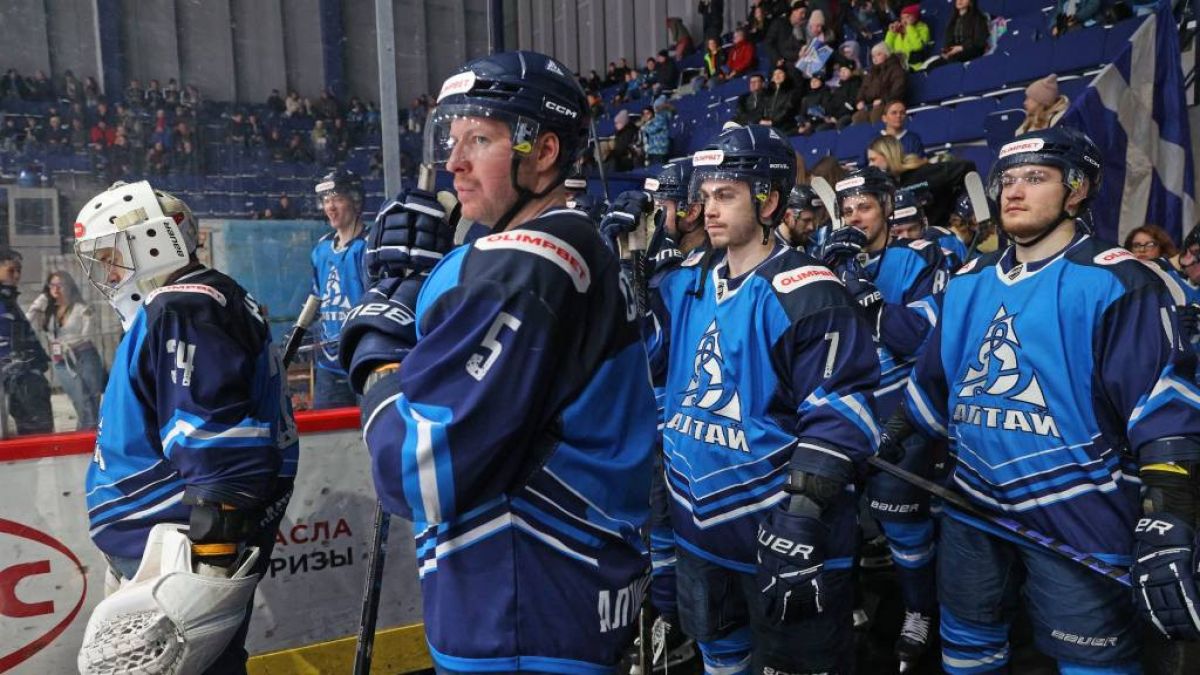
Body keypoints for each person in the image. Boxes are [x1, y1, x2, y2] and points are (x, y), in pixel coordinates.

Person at [338, 50, 656, 671]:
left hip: (520, 613)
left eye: (479, 139)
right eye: (452, 139)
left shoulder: (529, 265)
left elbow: (418, 473)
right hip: (559, 598)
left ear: (544, 151)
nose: (454, 162)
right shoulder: (564, 245)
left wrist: (379, 355)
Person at [893, 127, 1200, 674]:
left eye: (1035, 178)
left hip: (1077, 513)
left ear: (1076, 189)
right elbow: (934, 382)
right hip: (972, 503)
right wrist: (887, 435)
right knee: (966, 646)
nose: (1013, 191)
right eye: (1008, 179)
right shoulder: (968, 278)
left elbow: (1162, 408)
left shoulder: (1119, 279)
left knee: (1093, 661)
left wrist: (1170, 514)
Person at [648, 124, 881, 673]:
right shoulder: (681, 284)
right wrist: (633, 286)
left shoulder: (808, 290)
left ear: (768, 201)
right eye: (705, 195)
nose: (709, 209)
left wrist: (802, 514)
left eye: (726, 195)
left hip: (780, 535)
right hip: (698, 530)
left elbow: (841, 410)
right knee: (720, 658)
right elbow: (651, 373)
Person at [73, 181, 297, 674]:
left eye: (113, 256)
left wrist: (210, 566)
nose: (110, 273)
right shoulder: (197, 302)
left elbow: (218, 451)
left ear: (154, 240)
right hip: (163, 549)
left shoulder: (183, 308)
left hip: (177, 553)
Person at [820, 168, 946, 668]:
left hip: (899, 414)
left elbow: (917, 338)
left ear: (888, 209)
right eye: (847, 211)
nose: (855, 218)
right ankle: (846, 605)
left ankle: (919, 611)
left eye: (865, 207)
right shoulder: (822, 263)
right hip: (842, 416)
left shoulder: (921, 258)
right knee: (839, 521)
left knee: (903, 524)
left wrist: (862, 290)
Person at [309, 169, 367, 408]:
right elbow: (316, 297)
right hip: (329, 364)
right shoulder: (321, 249)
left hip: (364, 358)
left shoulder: (369, 246)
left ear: (355, 201)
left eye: (338, 199)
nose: (330, 207)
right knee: (328, 428)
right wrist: (299, 329)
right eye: (326, 200)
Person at [26, 271, 105, 429]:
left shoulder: (82, 309)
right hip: (61, 360)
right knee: (81, 399)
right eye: (52, 285)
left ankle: (86, 434)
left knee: (92, 401)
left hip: (84, 356)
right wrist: (38, 303)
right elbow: (27, 321)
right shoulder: (47, 310)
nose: (56, 289)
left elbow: (88, 335)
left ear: (69, 286)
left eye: (60, 285)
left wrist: (66, 344)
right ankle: (86, 435)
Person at [0, 249, 52, 435]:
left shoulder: (9, 299)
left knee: (36, 431)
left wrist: (39, 362)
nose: (16, 276)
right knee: (37, 431)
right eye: (11, 270)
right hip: (16, 376)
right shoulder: (4, 300)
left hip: (24, 375)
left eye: (19, 271)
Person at [890, 186, 968, 266]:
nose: (906, 237)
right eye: (897, 232)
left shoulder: (945, 240)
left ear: (924, 224)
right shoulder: (882, 260)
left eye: (912, 229)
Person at [852, 43, 907, 125]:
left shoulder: (895, 69)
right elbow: (863, 88)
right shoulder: (871, 72)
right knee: (858, 117)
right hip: (872, 105)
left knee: (876, 114)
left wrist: (883, 100)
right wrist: (860, 100)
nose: (875, 58)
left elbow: (898, 89)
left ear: (887, 54)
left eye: (878, 54)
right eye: (873, 56)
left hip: (890, 102)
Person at [926, 0, 990, 68]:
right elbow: (949, 40)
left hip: (972, 51)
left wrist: (961, 48)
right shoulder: (953, 20)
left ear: (970, 2)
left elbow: (980, 41)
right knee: (931, 66)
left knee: (952, 61)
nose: (960, 1)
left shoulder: (978, 18)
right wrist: (947, 50)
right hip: (956, 53)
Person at [778, 184, 822, 254]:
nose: (811, 227)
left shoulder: (814, 249)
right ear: (787, 217)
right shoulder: (768, 250)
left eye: (814, 220)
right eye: (806, 220)